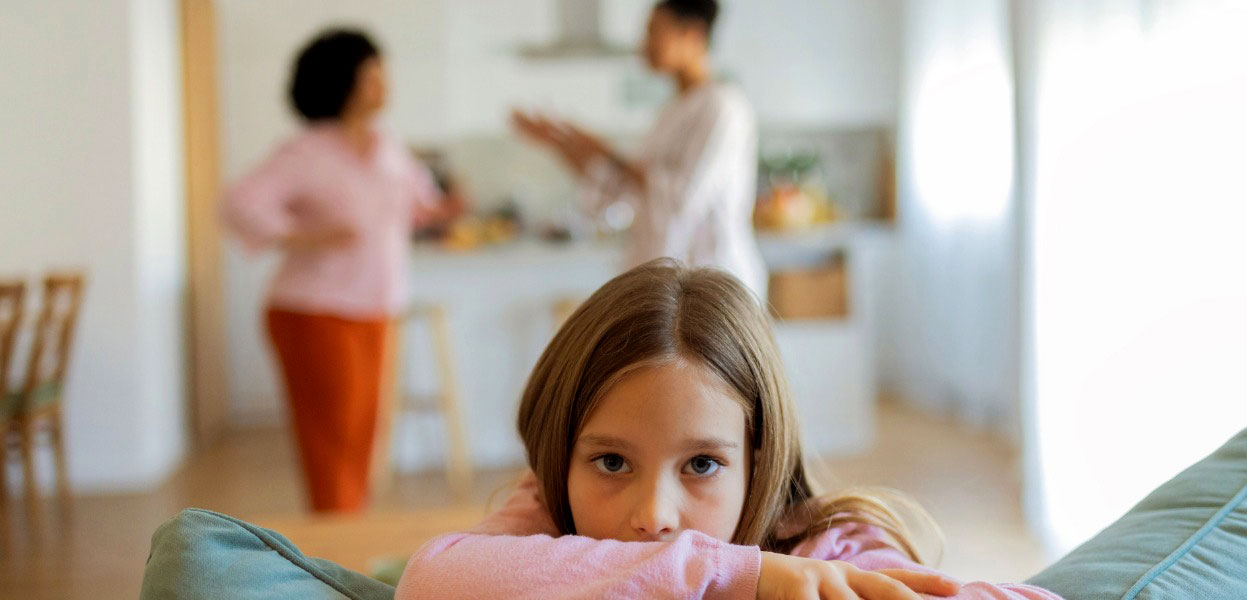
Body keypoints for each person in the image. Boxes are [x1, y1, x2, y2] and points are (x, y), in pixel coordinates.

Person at [394, 260, 1060, 599]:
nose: (654, 515)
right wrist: (732, 573)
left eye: (702, 465)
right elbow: (430, 582)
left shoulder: (825, 545)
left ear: (757, 457)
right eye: (612, 463)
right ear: (560, 454)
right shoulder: (545, 510)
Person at [221, 28, 465, 513]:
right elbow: (237, 202)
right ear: (345, 81)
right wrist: (304, 234)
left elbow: (417, 204)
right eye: (372, 72)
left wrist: (442, 211)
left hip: (377, 307)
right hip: (314, 310)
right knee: (331, 442)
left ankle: (348, 549)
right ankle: (335, 558)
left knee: (365, 440)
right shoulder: (306, 151)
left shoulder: (388, 145)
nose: (384, 83)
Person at [512, 0, 767, 299]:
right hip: (668, 284)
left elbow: (682, 197)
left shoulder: (723, 107)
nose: (644, 44)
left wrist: (597, 146)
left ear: (693, 33)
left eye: (654, 31)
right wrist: (561, 143)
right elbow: (618, 189)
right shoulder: (671, 112)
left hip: (714, 286)